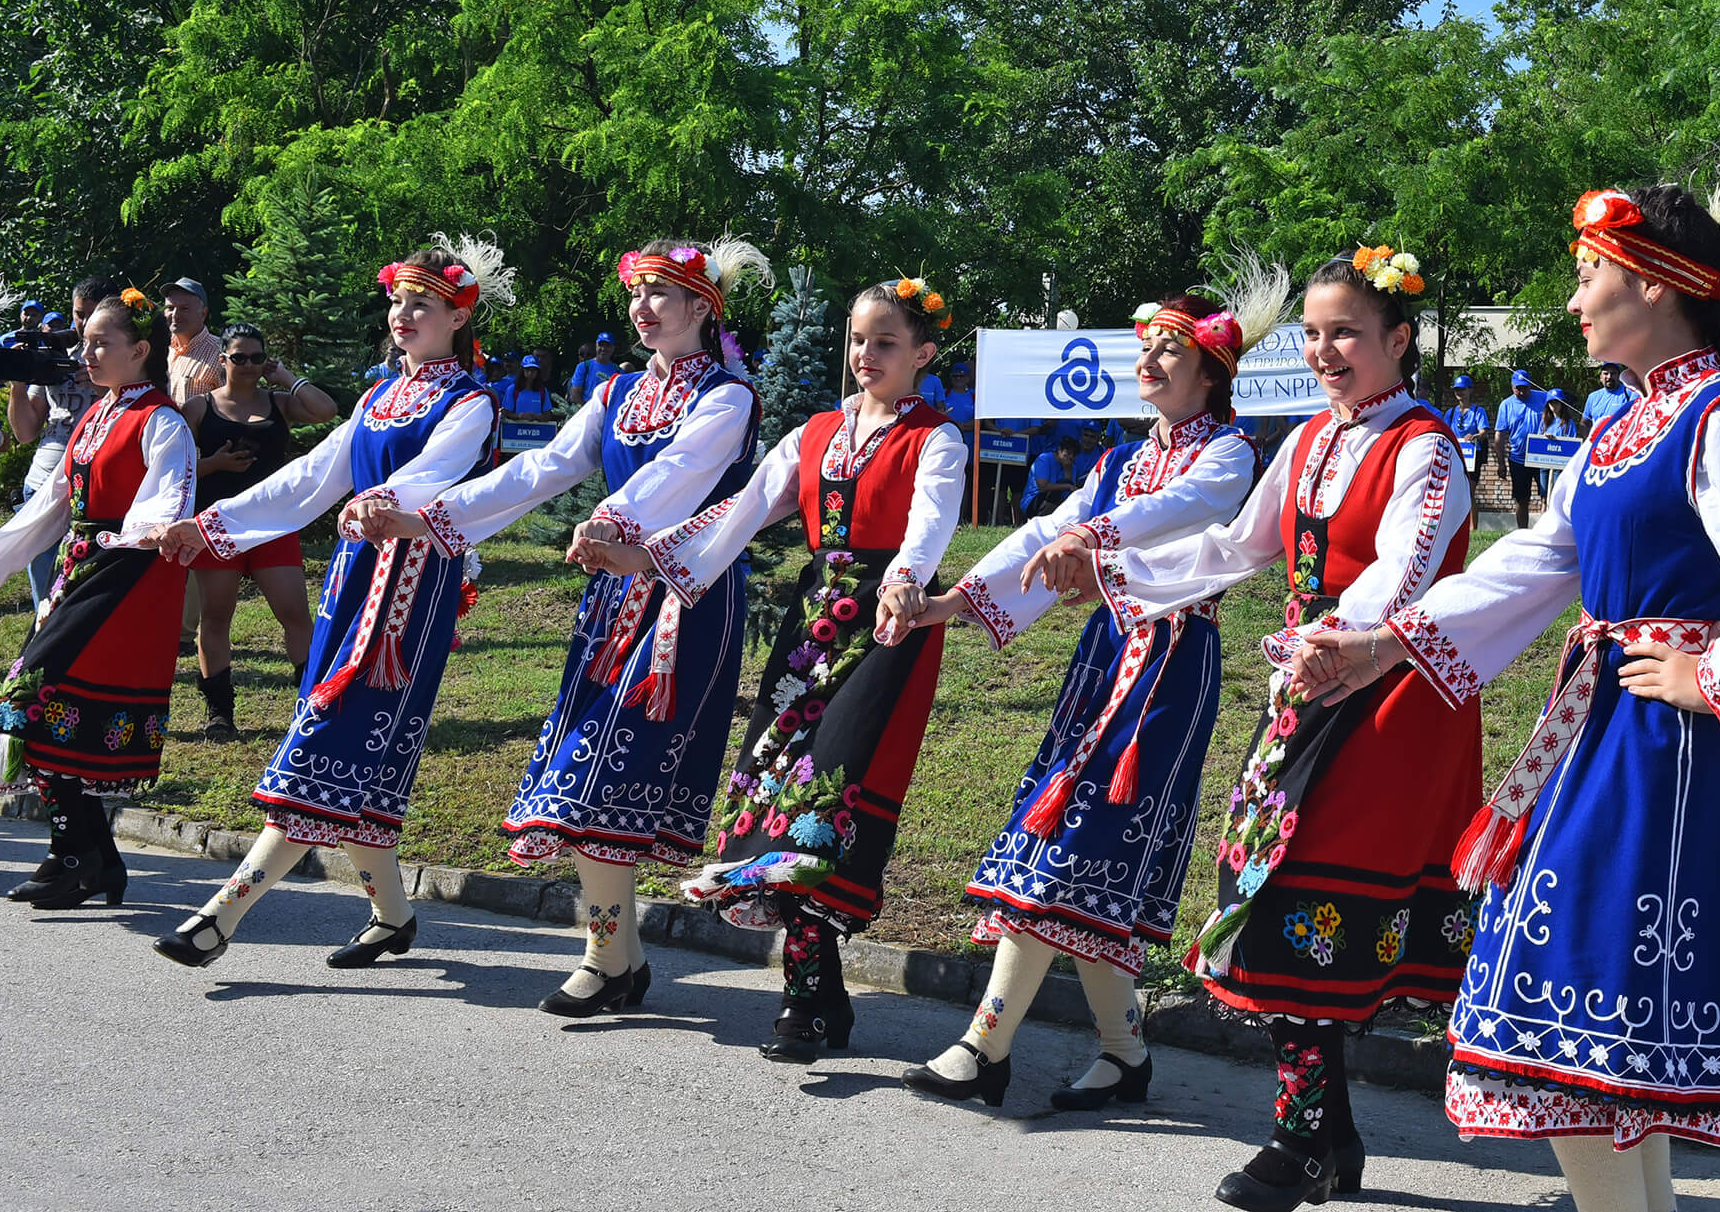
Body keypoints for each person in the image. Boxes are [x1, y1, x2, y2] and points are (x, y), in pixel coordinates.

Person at [1299, 178, 1720, 1212]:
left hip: (1665, 740)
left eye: (1588, 273)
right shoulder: (1619, 431)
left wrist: (1715, 677)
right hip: (1604, 729)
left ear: (1652, 284)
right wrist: (1383, 641)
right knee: (1593, 1012)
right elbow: (1530, 563)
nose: (1574, 299)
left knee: (1575, 990)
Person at [1042, 243, 1473, 1209]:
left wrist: (1330, 638)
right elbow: (1237, 545)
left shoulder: (1426, 448)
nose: (1325, 350)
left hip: (1387, 696)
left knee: (1306, 900)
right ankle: (1326, 1133)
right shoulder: (1312, 440)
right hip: (1309, 682)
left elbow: (1404, 569)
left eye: (1347, 334)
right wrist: (1109, 561)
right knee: (1262, 887)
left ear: (1399, 339)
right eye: (1315, 333)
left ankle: (1304, 1138)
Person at [895, 273, 1284, 1111]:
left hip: (1170, 667)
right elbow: (1041, 535)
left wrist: (1088, 538)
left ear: (1210, 371)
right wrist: (957, 599)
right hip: (1105, 656)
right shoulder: (1117, 458)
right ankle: (1123, 1053)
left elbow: (1180, 509)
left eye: (1169, 348)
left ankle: (984, 1043)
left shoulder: (1231, 453)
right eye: (1146, 345)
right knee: (1082, 857)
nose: (1149, 357)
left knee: (1079, 842)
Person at [355, 238, 770, 1017]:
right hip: (611, 603)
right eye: (638, 294)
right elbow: (540, 467)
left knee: (603, 779)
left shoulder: (727, 397)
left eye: (662, 294)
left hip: (683, 599)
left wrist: (613, 519)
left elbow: (676, 473)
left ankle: (606, 958)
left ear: (703, 307)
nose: (644, 309)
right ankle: (620, 960)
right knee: (586, 784)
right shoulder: (614, 393)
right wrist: (429, 516)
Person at [592, 276, 966, 1063]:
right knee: (775, 779)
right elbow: (737, 516)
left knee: (831, 793)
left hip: (886, 628)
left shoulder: (936, 437)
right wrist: (645, 555)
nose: (866, 354)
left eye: (886, 342)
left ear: (924, 353)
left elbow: (931, 518)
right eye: (858, 339)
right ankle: (815, 992)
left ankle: (807, 992)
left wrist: (907, 576)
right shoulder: (816, 432)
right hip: (813, 625)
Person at [143, 242, 509, 968]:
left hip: (406, 598)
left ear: (459, 314)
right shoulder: (379, 398)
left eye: (423, 304)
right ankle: (392, 917)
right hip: (353, 580)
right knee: (360, 762)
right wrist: (209, 526)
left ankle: (219, 916)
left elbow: (440, 474)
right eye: (399, 301)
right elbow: (309, 478)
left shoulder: (470, 401)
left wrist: (379, 501)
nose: (403, 314)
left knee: (325, 747)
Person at [0, 285, 196, 910]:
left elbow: (166, 504)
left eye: (103, 343)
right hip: (76, 583)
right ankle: (82, 859)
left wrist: (124, 540)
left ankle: (79, 858)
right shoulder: (94, 417)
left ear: (142, 351)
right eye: (86, 342)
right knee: (38, 718)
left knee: (26, 708)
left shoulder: (161, 421)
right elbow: (47, 512)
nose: (88, 352)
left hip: (122, 587)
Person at [176, 324, 339, 740]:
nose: (248, 366)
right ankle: (220, 714)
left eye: (256, 358)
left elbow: (326, 410)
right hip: (218, 525)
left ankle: (312, 706)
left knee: (295, 615)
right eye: (239, 357)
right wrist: (214, 465)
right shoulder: (198, 408)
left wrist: (284, 376)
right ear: (223, 361)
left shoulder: (279, 403)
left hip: (272, 524)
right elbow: (175, 468)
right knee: (215, 617)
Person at [7, 275, 115, 610]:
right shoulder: (54, 354)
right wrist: (18, 384)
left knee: (86, 598)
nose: (83, 324)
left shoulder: (126, 357)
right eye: (79, 314)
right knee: (45, 599)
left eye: (92, 314)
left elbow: (141, 413)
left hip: (95, 488)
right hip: (41, 483)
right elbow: (25, 432)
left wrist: (104, 387)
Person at [161, 277, 223, 406]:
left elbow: (233, 405)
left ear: (203, 313)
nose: (175, 314)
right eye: (170, 308)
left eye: (184, 308)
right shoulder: (160, 347)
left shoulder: (220, 354)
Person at [1495, 369, 1545, 527]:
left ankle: (1546, 531)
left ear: (1530, 385)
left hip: (1542, 457)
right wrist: (1501, 463)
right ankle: (1522, 531)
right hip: (1518, 459)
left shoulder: (1544, 398)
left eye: (1525, 387)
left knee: (1547, 496)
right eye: (1518, 388)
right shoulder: (1506, 405)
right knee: (1522, 498)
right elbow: (1500, 435)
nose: (1522, 391)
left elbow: (1560, 416)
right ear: (1512, 386)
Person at [1446, 375, 1488, 511]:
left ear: (1470, 390)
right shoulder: (1451, 413)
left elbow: (1484, 432)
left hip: (1472, 456)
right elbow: (1444, 431)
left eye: (1462, 389)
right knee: (1454, 492)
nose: (1459, 393)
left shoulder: (1478, 411)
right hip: (1454, 455)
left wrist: (1475, 435)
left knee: (1469, 491)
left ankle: (1473, 528)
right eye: (1456, 390)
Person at [1022, 435, 1084, 517]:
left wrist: (1067, 469)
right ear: (1059, 450)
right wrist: (1067, 486)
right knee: (1063, 484)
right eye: (1068, 453)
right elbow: (1043, 486)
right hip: (1034, 501)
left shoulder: (1071, 466)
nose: (1071, 457)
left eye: (1074, 455)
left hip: (1057, 503)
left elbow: (1069, 492)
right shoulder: (1044, 459)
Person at [1582, 360, 1639, 430]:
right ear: (1600, 377)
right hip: (1597, 439)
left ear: (1619, 376)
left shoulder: (1631, 393)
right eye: (1606, 373)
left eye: (1613, 373)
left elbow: (1636, 420)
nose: (1609, 377)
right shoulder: (1592, 397)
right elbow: (1584, 423)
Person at [567, 334, 619, 405]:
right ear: (596, 345)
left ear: (613, 348)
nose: (603, 349)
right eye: (601, 345)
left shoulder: (618, 371)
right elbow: (575, 394)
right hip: (586, 410)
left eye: (607, 346)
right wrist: (586, 409)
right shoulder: (583, 367)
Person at [503, 356, 554, 420]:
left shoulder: (543, 391)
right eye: (527, 369)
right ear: (522, 370)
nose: (530, 373)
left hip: (537, 429)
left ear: (537, 372)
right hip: (515, 428)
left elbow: (548, 415)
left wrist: (536, 417)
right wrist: (520, 416)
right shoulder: (512, 389)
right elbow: (506, 413)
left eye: (533, 370)